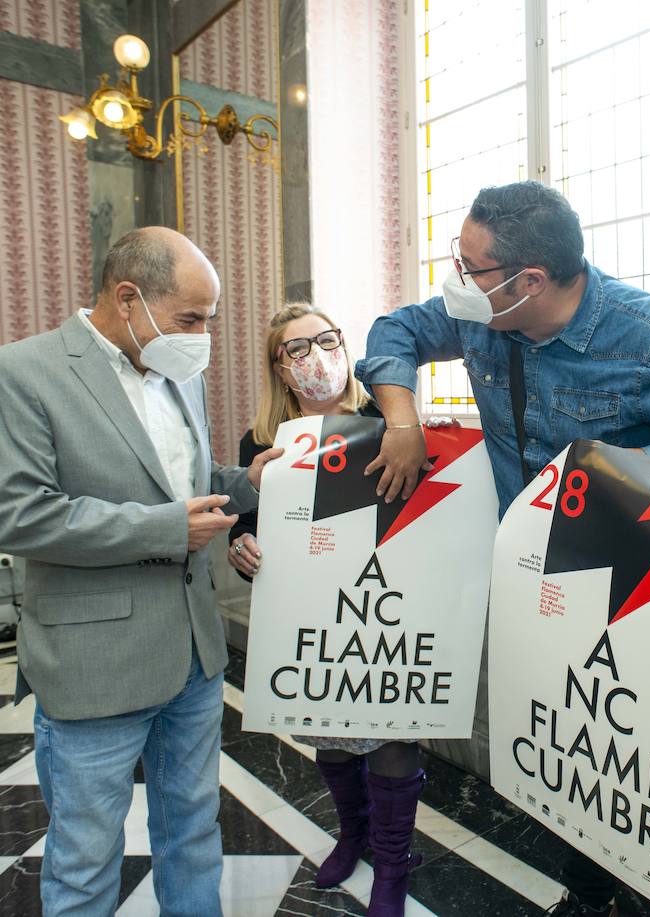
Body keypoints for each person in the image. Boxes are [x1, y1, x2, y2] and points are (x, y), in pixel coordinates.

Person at [355, 180, 650, 916]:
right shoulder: (483, 317)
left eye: (470, 266)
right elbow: (394, 332)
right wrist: (402, 419)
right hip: (537, 587)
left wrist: (603, 479)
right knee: (571, 753)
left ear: (529, 281)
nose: (456, 279)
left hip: (633, 590)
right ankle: (588, 894)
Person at [0, 227, 282, 916]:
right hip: (95, 662)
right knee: (85, 858)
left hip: (194, 656)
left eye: (208, 319)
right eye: (190, 319)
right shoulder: (16, 372)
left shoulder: (179, 373)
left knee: (194, 832)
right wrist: (167, 529)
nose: (201, 337)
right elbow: (18, 515)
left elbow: (183, 482)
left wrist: (247, 481)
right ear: (128, 297)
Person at [226, 303, 425, 916]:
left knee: (390, 732)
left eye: (327, 339)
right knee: (329, 730)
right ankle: (353, 834)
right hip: (309, 612)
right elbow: (249, 520)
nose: (317, 356)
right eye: (298, 348)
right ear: (280, 368)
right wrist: (242, 543)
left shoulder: (386, 421)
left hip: (385, 603)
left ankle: (392, 864)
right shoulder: (264, 441)